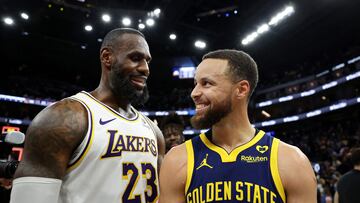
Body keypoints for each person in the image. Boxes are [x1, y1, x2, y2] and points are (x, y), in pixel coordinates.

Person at [10, 28, 165, 203]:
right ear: (107, 57)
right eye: (136, 58)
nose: (145, 69)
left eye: (147, 61)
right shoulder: (63, 118)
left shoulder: (153, 131)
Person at [159, 49, 317, 203]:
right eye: (195, 84)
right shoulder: (177, 159)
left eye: (206, 83)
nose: (194, 93)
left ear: (241, 90)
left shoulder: (292, 161)